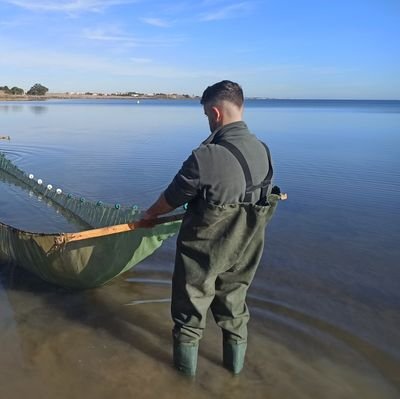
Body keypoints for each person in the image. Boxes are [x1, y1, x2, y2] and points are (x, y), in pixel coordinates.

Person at [144, 80, 281, 376]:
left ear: (216, 113)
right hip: (245, 250)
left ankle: (182, 385)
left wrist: (149, 216)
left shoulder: (205, 156)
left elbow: (170, 199)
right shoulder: (264, 151)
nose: (208, 122)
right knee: (234, 310)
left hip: (203, 253)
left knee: (188, 315)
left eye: (207, 115)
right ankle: (234, 377)